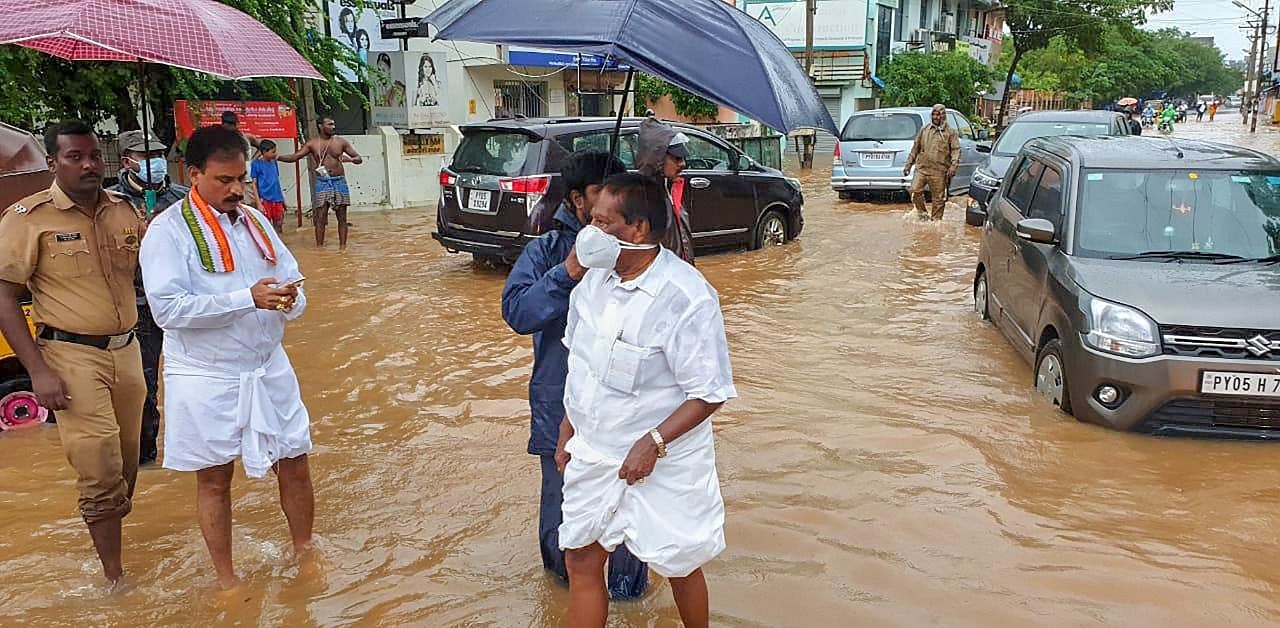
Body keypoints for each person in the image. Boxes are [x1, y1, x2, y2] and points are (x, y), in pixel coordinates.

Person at [557, 172, 736, 628]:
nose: (589, 233)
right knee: (580, 560)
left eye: (602, 222)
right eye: (590, 220)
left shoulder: (686, 297)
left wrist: (653, 441)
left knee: (678, 563)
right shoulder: (592, 284)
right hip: (595, 454)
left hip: (665, 461)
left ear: (637, 229)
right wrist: (567, 430)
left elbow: (709, 391)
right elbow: (580, 366)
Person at [139, 125, 313, 590]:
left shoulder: (255, 223)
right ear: (193, 174)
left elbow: (291, 276)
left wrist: (290, 299)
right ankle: (227, 580)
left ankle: (305, 554)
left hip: (268, 364)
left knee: (295, 460)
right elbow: (167, 311)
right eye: (225, 180)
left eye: (243, 178)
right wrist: (247, 299)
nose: (237, 189)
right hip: (206, 373)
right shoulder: (167, 231)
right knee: (215, 479)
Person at [0, 121, 147, 585]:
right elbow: (3, 295)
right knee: (99, 465)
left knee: (127, 460)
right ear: (52, 162)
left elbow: (152, 273)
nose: (87, 165)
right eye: (74, 157)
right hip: (69, 354)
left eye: (93, 157)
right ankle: (115, 580)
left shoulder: (125, 211)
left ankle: (109, 539)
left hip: (128, 351)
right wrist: (37, 371)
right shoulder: (28, 217)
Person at [502, 151, 649, 600]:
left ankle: (627, 601)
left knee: (631, 513)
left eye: (615, 198)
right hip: (559, 402)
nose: (608, 205)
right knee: (563, 516)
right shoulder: (545, 251)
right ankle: (561, 599)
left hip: (627, 409)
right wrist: (569, 271)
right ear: (577, 201)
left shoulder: (636, 253)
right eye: (599, 196)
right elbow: (518, 312)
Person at [109, 129, 190, 466]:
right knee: (142, 386)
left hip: (183, 301)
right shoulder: (110, 203)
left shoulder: (185, 199)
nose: (153, 162)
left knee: (191, 380)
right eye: (145, 157)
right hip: (137, 304)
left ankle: (193, 455)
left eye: (156, 155)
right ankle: (144, 459)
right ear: (128, 161)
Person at [278, 116, 363, 249]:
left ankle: (342, 248)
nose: (333, 127)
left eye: (333, 124)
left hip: (339, 181)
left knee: (342, 217)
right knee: (320, 218)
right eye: (329, 124)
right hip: (322, 182)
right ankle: (319, 249)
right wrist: (277, 157)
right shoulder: (312, 144)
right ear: (320, 126)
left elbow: (358, 157)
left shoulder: (341, 142)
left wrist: (353, 160)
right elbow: (294, 157)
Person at [635, 117, 695, 264]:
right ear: (657, 158)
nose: (683, 164)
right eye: (676, 158)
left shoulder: (670, 188)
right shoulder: (642, 197)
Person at [903, 104, 959, 221]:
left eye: (938, 114)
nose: (935, 117)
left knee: (938, 199)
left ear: (943, 115)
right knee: (914, 190)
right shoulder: (924, 130)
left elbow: (955, 150)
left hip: (939, 171)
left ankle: (936, 223)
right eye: (933, 114)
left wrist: (954, 165)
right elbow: (915, 148)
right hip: (922, 168)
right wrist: (908, 164)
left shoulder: (950, 133)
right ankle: (922, 214)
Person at [221, 111, 261, 210]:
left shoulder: (247, 138)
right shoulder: (221, 141)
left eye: (231, 125)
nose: (229, 128)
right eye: (226, 126)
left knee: (251, 209)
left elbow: (262, 148)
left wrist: (252, 161)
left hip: (247, 180)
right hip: (230, 180)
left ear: (237, 124)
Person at [252, 139, 287, 233]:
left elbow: (277, 180)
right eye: (273, 152)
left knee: (279, 223)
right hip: (265, 199)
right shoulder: (255, 164)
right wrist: (258, 202)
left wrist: (283, 199)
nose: (275, 154)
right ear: (264, 152)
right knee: (265, 225)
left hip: (277, 198)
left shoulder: (274, 162)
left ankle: (277, 245)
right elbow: (254, 184)